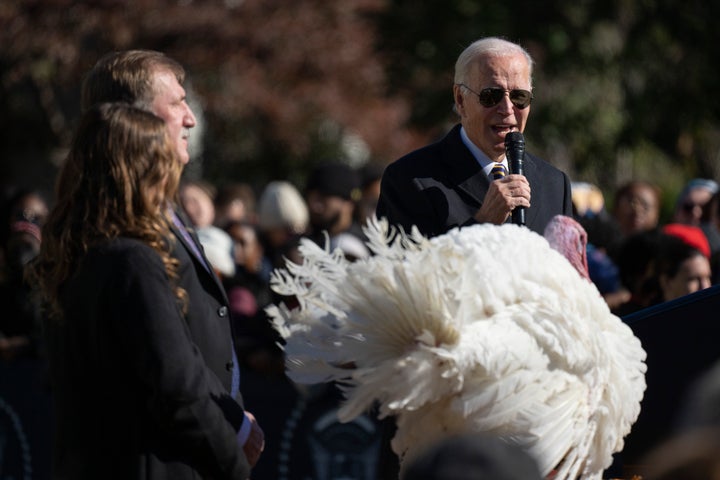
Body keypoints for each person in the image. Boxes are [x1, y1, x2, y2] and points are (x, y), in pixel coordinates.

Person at [29, 103, 260, 479]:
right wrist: (233, 463)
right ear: (146, 171)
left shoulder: (68, 256)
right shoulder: (131, 262)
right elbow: (177, 386)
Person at [79, 50, 263, 473]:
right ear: (134, 118)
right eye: (177, 102)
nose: (190, 118)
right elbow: (169, 370)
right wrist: (230, 441)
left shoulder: (168, 210)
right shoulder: (119, 236)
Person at [377, 37, 572, 237]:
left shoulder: (555, 185)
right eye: (491, 96)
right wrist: (484, 221)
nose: (507, 109)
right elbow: (407, 266)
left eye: (519, 96)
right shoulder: (408, 179)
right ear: (460, 100)